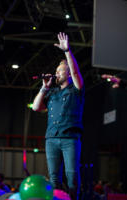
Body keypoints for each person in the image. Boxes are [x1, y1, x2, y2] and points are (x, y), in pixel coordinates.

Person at [32, 32, 84, 200]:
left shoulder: (76, 89)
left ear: (68, 74)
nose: (57, 73)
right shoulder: (52, 92)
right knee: (54, 178)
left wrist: (67, 51)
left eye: (61, 71)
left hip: (70, 138)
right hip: (52, 139)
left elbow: (76, 73)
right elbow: (35, 107)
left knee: (72, 177)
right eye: (56, 71)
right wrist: (44, 88)